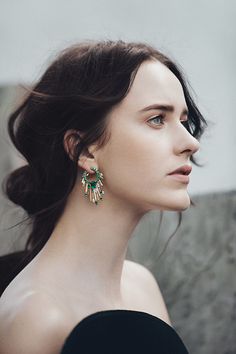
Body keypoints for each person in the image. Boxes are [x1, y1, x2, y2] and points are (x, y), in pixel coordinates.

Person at [0, 40, 206, 353]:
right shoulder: (35, 317)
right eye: (157, 119)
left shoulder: (142, 285)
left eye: (183, 120)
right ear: (84, 150)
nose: (191, 142)